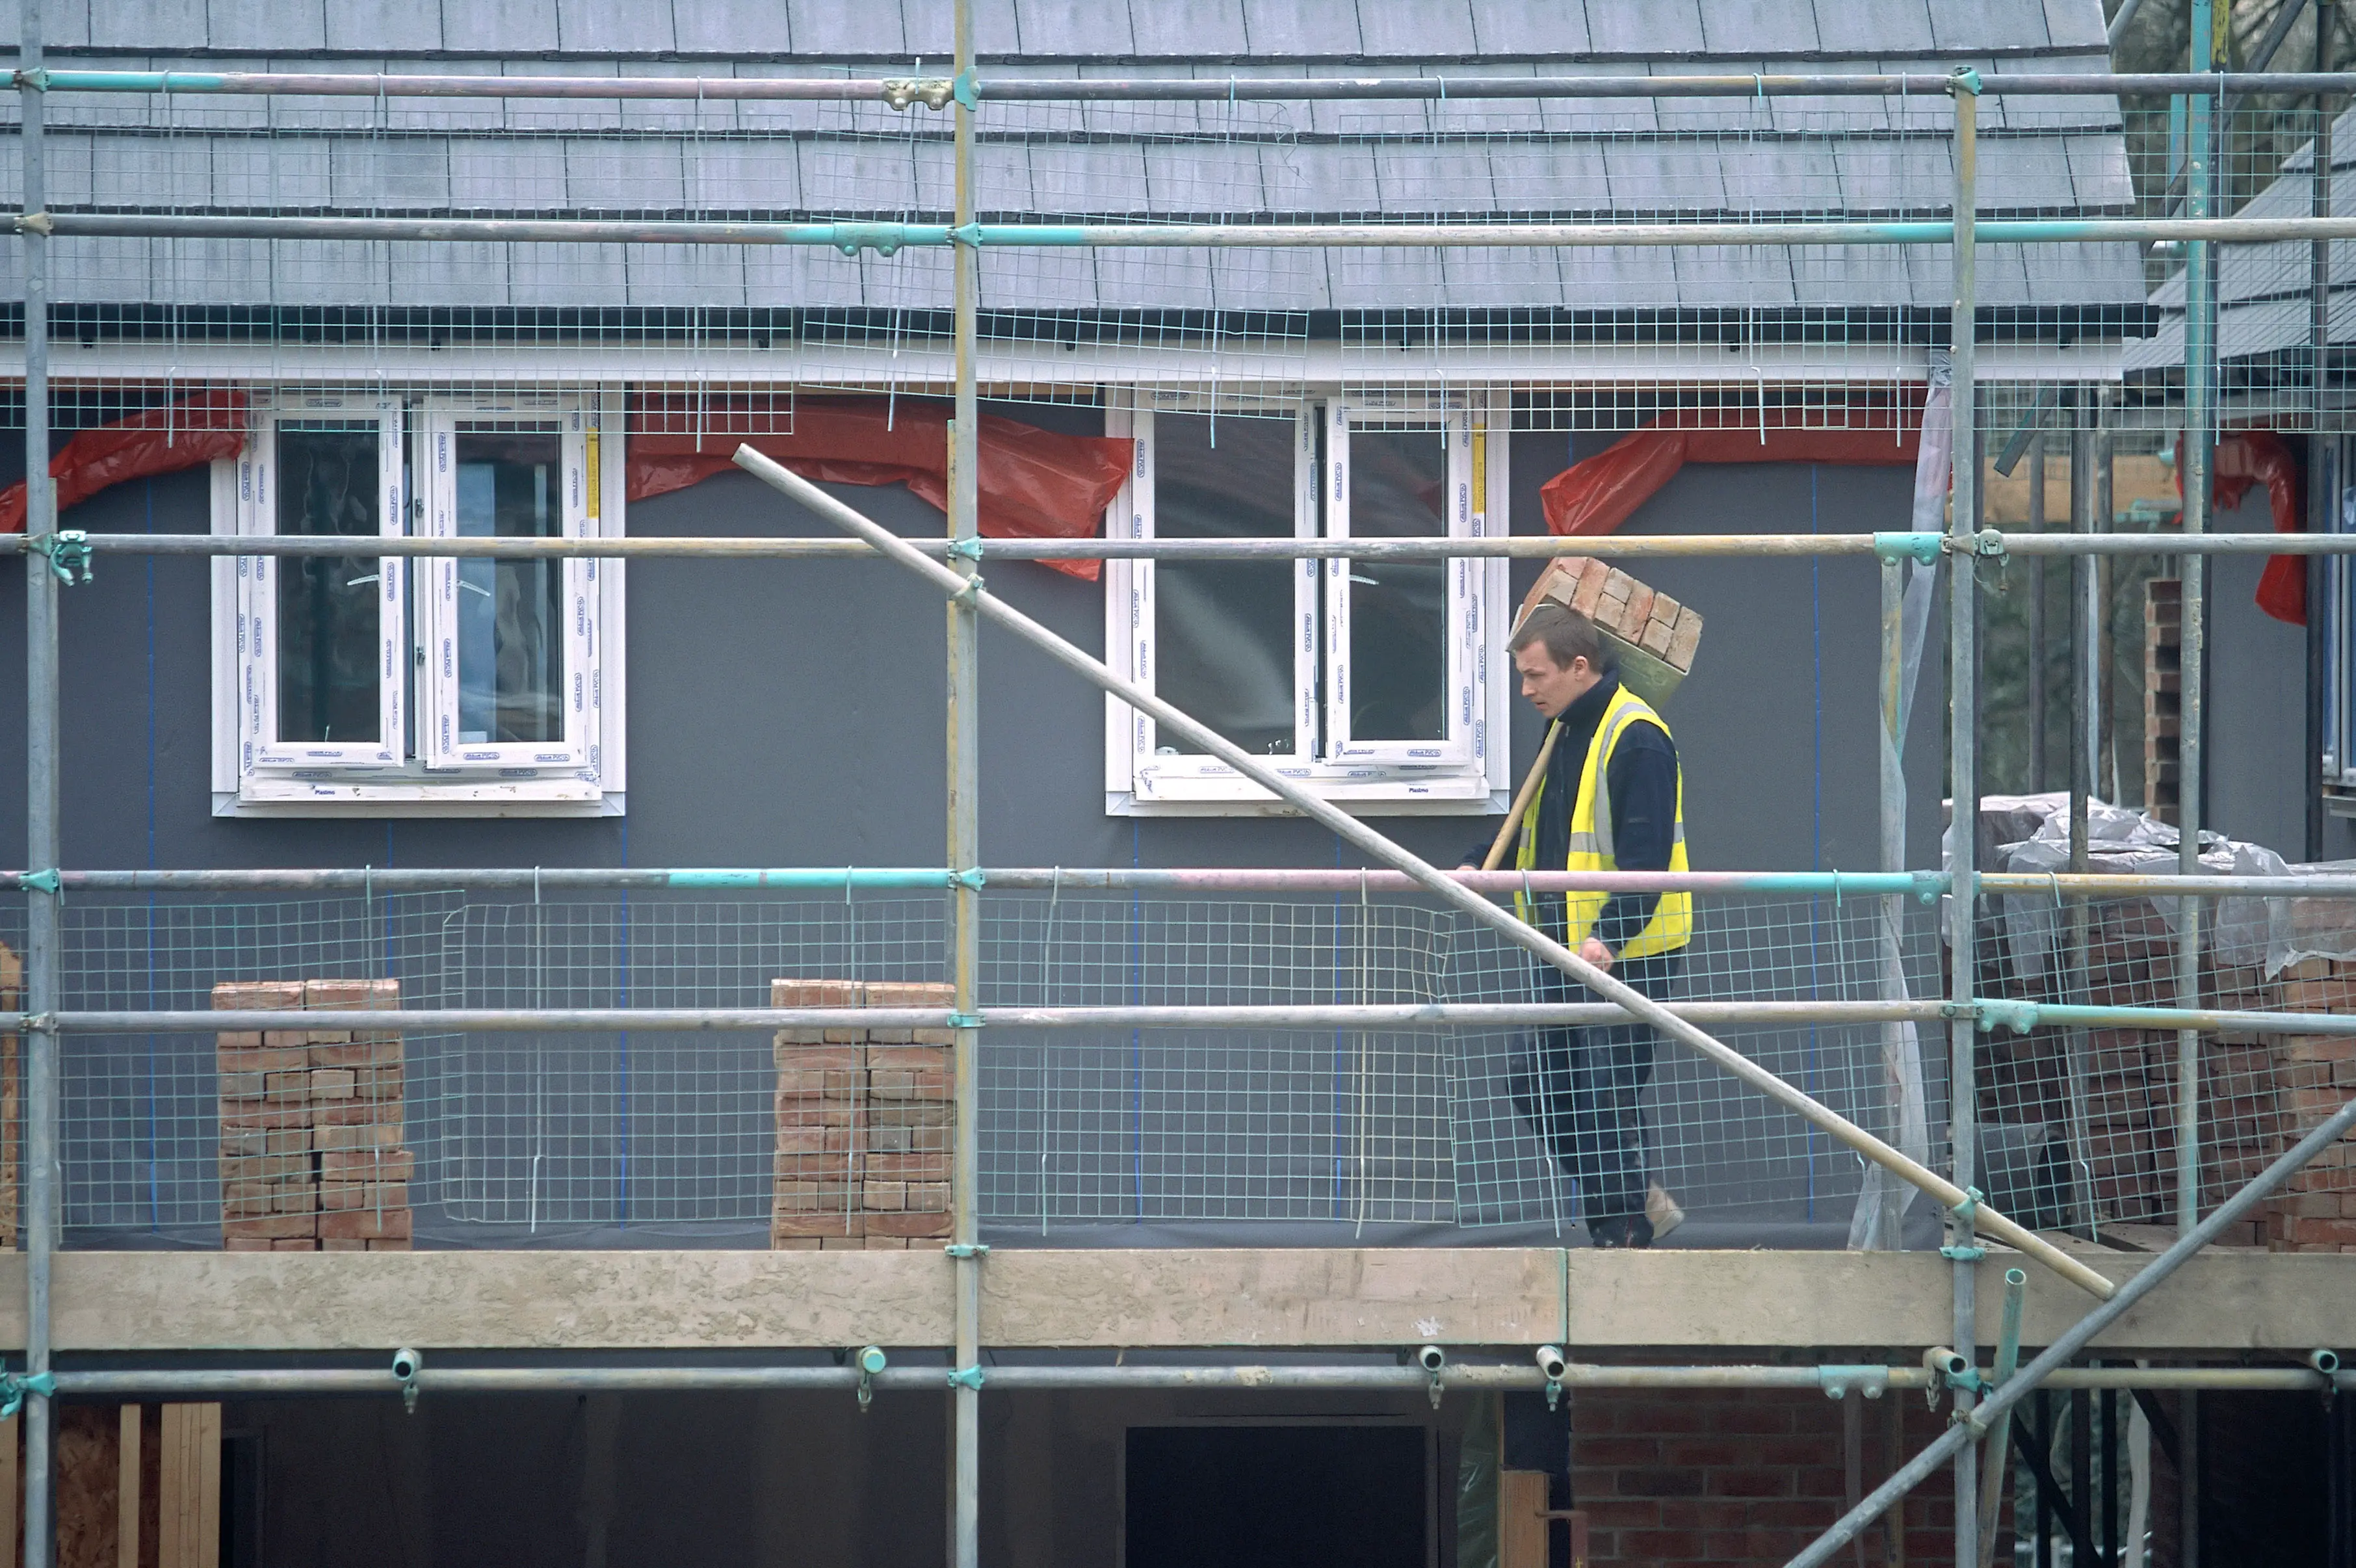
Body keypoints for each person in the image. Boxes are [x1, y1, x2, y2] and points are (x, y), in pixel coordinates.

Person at [1467, 602, 1692, 1248]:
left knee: (1605, 1094)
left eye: (1536, 675)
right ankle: (1632, 1205)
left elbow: (1647, 857)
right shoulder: (1566, 729)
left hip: (1627, 953)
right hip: (1565, 949)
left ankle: (1622, 1233)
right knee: (1537, 1085)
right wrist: (1474, 862)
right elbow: (1532, 818)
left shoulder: (1637, 737)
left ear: (1580, 666)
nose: (1526, 689)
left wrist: (1610, 938)